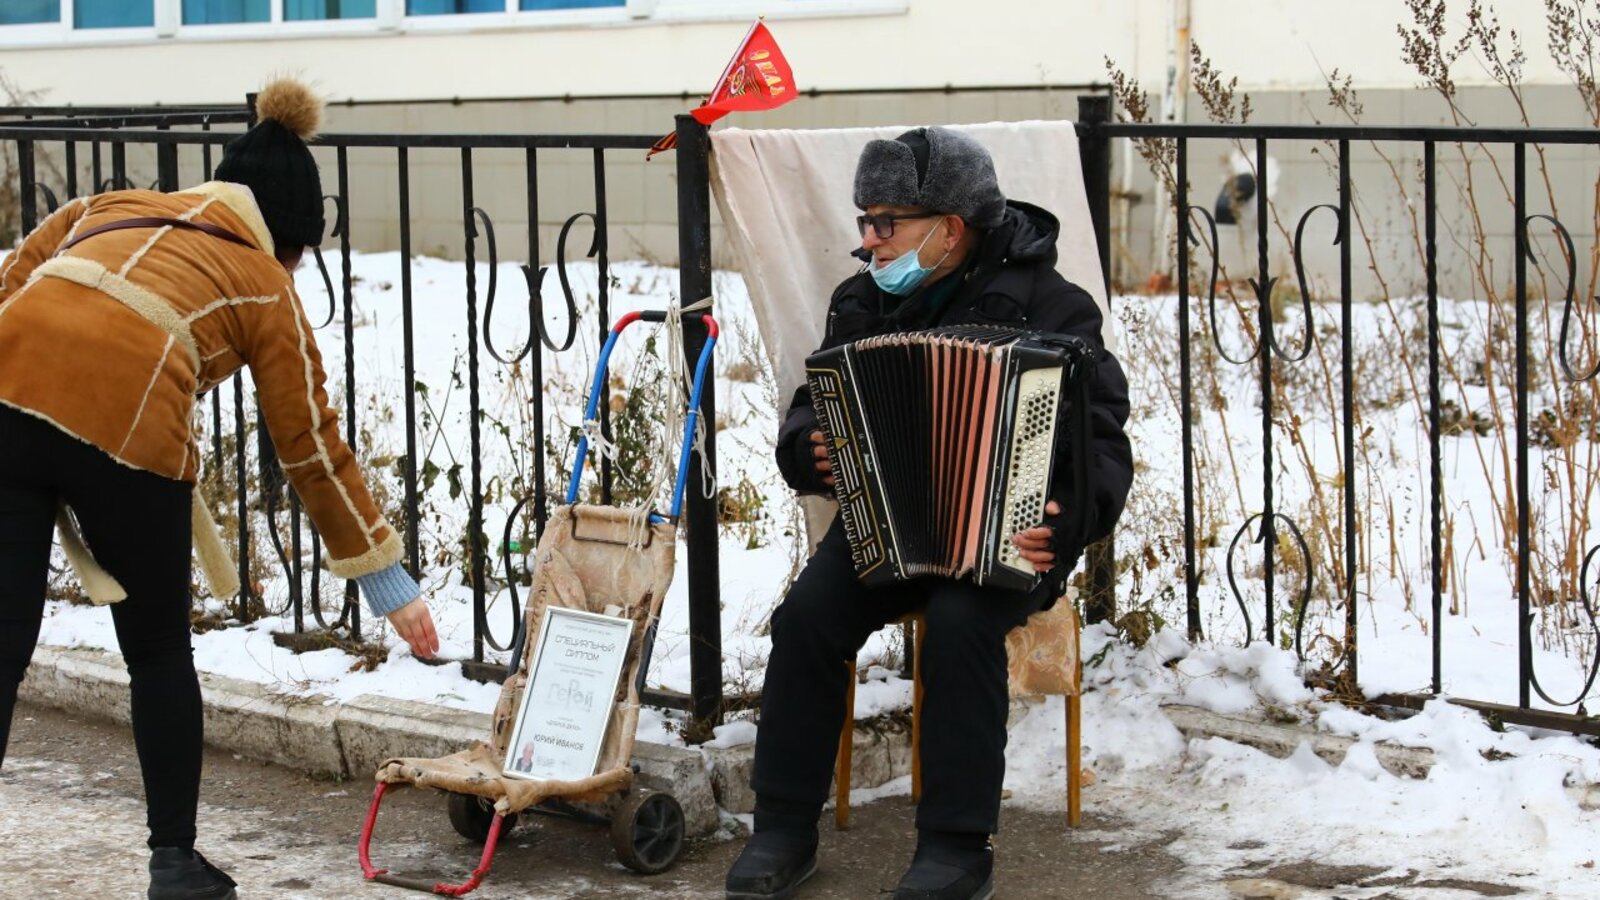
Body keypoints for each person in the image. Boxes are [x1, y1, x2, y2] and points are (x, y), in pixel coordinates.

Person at [0, 78, 439, 900]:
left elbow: (14, 284)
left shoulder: (104, 207)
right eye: (300, 256)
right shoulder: (263, 281)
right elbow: (307, 441)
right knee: (158, 648)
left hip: (5, 385)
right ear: (288, 238)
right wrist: (387, 582)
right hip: (128, 423)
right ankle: (175, 865)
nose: (295, 272)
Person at [725, 127, 1134, 900]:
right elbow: (810, 410)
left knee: (958, 623)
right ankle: (781, 828)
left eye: (888, 222)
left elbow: (1104, 442)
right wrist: (808, 445)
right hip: (886, 528)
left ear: (950, 227)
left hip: (1013, 535)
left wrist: (1066, 520)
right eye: (866, 221)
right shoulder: (859, 302)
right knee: (806, 619)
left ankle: (955, 847)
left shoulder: (1055, 308)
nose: (871, 240)